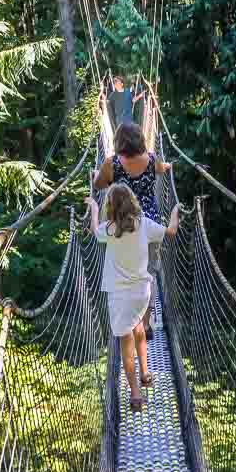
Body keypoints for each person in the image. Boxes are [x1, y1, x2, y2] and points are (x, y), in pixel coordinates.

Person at [85, 185, 179, 411]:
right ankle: (146, 374)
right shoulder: (143, 223)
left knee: (125, 343)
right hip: (142, 294)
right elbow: (170, 231)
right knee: (138, 328)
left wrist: (94, 208)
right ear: (132, 203)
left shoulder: (109, 229)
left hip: (119, 297)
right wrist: (175, 210)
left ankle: (136, 395)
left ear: (111, 208)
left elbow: (93, 229)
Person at [93, 123, 172, 340]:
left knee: (124, 274)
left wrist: (97, 174)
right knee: (148, 274)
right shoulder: (152, 159)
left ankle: (128, 323)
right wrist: (167, 167)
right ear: (140, 139)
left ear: (119, 141)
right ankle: (144, 325)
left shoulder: (112, 164)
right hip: (149, 225)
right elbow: (162, 168)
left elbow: (99, 185)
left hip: (121, 226)